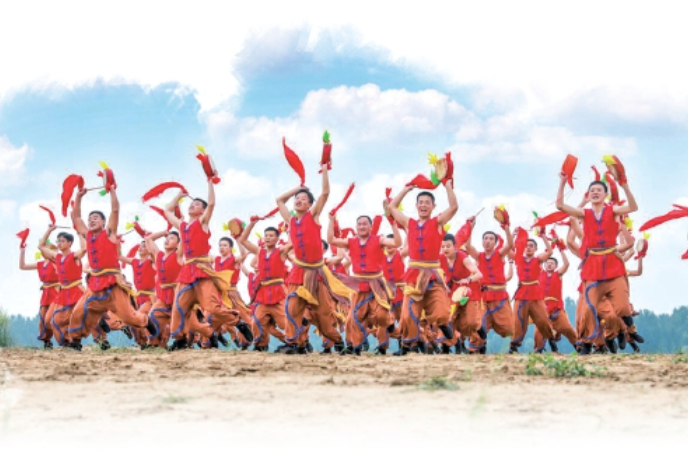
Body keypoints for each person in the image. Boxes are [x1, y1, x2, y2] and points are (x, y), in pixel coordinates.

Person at [556, 171, 638, 354]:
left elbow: (633, 207)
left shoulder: (613, 210)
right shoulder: (584, 213)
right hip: (593, 267)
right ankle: (587, 343)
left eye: (599, 190)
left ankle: (624, 329)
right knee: (587, 310)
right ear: (588, 195)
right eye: (592, 190)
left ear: (605, 194)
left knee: (622, 307)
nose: (595, 192)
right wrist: (562, 182)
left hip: (612, 264)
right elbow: (560, 206)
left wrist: (624, 185)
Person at [275, 163, 353, 354]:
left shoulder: (313, 216)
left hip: (316, 274)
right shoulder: (290, 221)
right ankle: (292, 343)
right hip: (298, 272)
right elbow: (279, 200)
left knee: (322, 317)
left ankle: (337, 341)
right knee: (292, 308)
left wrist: (325, 170)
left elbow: (325, 193)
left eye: (303, 199)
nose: (298, 200)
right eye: (297, 199)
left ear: (309, 205)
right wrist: (298, 188)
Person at [162, 179, 249, 351]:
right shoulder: (182, 226)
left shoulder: (202, 223)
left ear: (202, 210)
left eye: (197, 204)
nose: (192, 205)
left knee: (211, 307)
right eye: (191, 203)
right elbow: (167, 211)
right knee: (179, 307)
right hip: (187, 272)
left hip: (202, 271)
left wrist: (209, 181)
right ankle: (179, 339)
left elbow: (212, 204)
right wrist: (179, 196)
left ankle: (238, 322)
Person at [66, 185, 156, 350]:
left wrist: (112, 190)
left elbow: (115, 210)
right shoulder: (88, 235)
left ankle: (145, 320)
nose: (91, 220)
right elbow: (76, 217)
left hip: (113, 283)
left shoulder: (109, 234)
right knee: (79, 312)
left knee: (129, 317)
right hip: (95, 284)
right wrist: (78, 197)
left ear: (103, 222)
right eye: (90, 219)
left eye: (95, 218)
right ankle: (75, 341)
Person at [387, 179, 458, 355]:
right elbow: (392, 207)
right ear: (416, 205)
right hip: (413, 274)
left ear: (433, 206)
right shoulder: (408, 223)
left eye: (427, 202)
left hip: (432, 274)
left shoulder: (437, 222)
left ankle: (443, 324)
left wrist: (447, 185)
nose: (424, 205)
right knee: (408, 314)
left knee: (442, 310)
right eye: (421, 202)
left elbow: (454, 207)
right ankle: (406, 346)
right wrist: (406, 189)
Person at [327, 212, 402, 355]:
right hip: (358, 285)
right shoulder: (351, 241)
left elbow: (397, 243)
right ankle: (356, 347)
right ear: (356, 227)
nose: (362, 226)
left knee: (381, 315)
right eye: (359, 224)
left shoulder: (379, 240)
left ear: (370, 227)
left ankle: (390, 325)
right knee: (355, 317)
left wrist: (393, 224)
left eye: (365, 224)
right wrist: (331, 221)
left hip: (376, 285)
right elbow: (331, 239)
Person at [237, 220, 291, 352]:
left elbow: (293, 243)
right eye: (266, 235)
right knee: (257, 321)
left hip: (278, 292)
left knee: (284, 322)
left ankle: (296, 343)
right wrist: (251, 223)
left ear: (277, 238)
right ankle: (260, 345)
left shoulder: (281, 251)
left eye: (271, 235)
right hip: (263, 293)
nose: (268, 238)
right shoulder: (259, 251)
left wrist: (290, 228)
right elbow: (243, 240)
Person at [465, 222, 514, 354]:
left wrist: (506, 228)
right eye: (485, 238)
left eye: (491, 239)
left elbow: (510, 244)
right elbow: (468, 246)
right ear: (482, 242)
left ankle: (486, 338)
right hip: (483, 296)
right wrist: (470, 227)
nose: (488, 241)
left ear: (495, 243)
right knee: (478, 321)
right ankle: (476, 345)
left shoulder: (499, 254)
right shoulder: (478, 256)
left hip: (500, 296)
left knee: (507, 328)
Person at [508, 233, 555, 353]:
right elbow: (508, 249)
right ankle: (514, 346)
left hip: (535, 294)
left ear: (535, 249)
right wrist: (512, 235)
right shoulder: (518, 258)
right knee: (518, 321)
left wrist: (543, 236)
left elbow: (550, 252)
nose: (528, 247)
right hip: (521, 293)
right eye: (526, 246)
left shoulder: (538, 259)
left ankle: (551, 339)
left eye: (531, 246)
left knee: (543, 320)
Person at [439, 233, 483, 354]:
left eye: (448, 246)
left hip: (468, 291)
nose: (445, 249)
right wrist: (443, 285)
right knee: (448, 316)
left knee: (471, 322)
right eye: (443, 246)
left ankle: (478, 328)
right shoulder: (441, 258)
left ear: (454, 247)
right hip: (453, 291)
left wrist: (468, 279)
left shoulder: (463, 257)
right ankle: (446, 346)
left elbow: (479, 274)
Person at [533, 250, 578, 353]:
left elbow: (566, 264)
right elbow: (537, 261)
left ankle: (578, 345)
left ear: (556, 266)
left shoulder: (558, 274)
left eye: (552, 263)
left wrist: (561, 249)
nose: (549, 265)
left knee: (567, 328)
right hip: (542, 308)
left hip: (556, 308)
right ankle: (538, 349)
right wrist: (547, 251)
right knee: (539, 330)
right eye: (547, 263)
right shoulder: (540, 273)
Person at [144, 230, 183, 348]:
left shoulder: (178, 255)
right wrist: (163, 233)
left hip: (177, 294)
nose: (167, 240)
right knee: (152, 316)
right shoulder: (158, 255)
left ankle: (183, 341)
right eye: (167, 238)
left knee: (181, 320)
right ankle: (154, 343)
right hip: (163, 296)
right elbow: (148, 239)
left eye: (171, 238)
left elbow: (185, 237)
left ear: (178, 244)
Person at [213, 236, 253, 349]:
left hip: (231, 294)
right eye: (220, 245)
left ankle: (257, 341)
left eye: (225, 245)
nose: (222, 247)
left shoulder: (234, 260)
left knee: (246, 318)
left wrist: (238, 239)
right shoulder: (217, 259)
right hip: (219, 294)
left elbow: (243, 254)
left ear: (231, 248)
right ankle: (216, 337)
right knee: (214, 317)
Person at [19, 240, 59, 348]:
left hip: (56, 291)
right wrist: (22, 251)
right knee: (42, 319)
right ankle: (47, 340)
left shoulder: (55, 263)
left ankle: (67, 338)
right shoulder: (40, 264)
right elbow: (22, 266)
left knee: (51, 318)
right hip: (46, 293)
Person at [120, 240, 157, 348]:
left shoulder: (152, 261)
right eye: (140, 246)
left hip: (149, 297)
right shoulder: (134, 261)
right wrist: (116, 242)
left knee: (139, 317)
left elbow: (155, 252)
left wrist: (148, 238)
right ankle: (142, 342)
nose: (140, 248)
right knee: (133, 320)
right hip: (138, 297)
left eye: (144, 246)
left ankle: (152, 342)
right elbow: (119, 256)